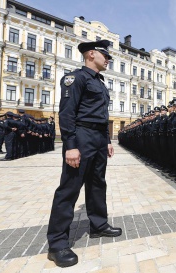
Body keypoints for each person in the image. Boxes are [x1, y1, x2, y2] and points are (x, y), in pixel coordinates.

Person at [47, 40, 121, 268]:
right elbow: (67, 113)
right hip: (81, 136)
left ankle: (98, 225)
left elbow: (101, 114)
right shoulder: (75, 78)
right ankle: (57, 244)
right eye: (105, 55)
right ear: (91, 54)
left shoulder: (99, 81)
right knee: (70, 187)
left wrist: (107, 140)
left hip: (98, 137)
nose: (108, 59)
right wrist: (70, 145)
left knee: (97, 182)